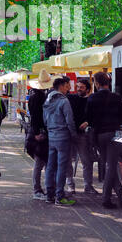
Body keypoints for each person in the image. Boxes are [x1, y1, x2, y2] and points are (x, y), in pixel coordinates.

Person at [85, 71, 122, 209]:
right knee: (110, 166)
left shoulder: (92, 98)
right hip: (113, 135)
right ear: (108, 83)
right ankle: (108, 198)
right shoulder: (117, 97)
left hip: (99, 136)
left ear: (97, 83)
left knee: (108, 166)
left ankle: (117, 196)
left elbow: (89, 118)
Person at [43, 77, 78, 206]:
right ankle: (59, 196)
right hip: (63, 137)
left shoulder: (48, 99)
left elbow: (45, 120)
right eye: (68, 85)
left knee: (50, 166)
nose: (69, 88)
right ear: (62, 86)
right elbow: (70, 120)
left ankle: (49, 195)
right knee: (62, 167)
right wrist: (73, 135)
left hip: (52, 136)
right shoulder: (64, 101)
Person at [26, 70, 58, 201]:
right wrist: (38, 133)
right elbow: (35, 118)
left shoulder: (38, 95)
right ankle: (37, 189)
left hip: (39, 132)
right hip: (39, 133)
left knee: (43, 162)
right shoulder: (38, 97)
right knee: (40, 162)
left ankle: (43, 188)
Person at [65, 78, 99, 195]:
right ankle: (70, 185)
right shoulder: (71, 98)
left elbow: (94, 116)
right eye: (78, 87)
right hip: (69, 133)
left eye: (82, 87)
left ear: (88, 89)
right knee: (67, 160)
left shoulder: (91, 101)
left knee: (86, 161)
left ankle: (88, 186)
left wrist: (88, 122)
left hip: (82, 135)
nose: (79, 89)